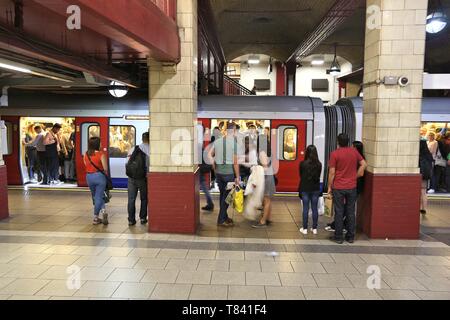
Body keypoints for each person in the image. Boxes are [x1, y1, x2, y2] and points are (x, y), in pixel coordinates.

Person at [327, 133, 367, 244]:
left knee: (339, 212)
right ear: (348, 141)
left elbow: (332, 172)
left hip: (338, 187)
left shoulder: (334, 154)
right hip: (352, 187)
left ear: (338, 142)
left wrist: (329, 186)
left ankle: (338, 237)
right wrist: (357, 175)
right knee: (350, 212)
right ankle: (350, 237)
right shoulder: (354, 152)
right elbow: (364, 164)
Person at [208, 122, 240, 227]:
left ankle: (225, 217)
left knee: (222, 195)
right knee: (227, 198)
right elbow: (235, 163)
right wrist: (237, 177)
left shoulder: (217, 141)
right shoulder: (234, 143)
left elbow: (209, 155)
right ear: (234, 131)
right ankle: (221, 220)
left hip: (218, 174)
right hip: (228, 174)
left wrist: (214, 165)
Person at [84, 137, 109, 225]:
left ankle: (103, 210)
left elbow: (85, 165)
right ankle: (96, 218)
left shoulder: (86, 154)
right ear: (97, 144)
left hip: (89, 177)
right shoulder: (101, 154)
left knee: (96, 196)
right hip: (99, 177)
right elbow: (105, 168)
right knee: (99, 196)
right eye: (100, 143)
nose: (101, 144)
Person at [127, 132, 150, 226]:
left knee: (131, 199)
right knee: (144, 199)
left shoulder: (133, 148)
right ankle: (143, 218)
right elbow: (149, 166)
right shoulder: (150, 149)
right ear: (150, 139)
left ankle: (131, 220)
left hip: (131, 178)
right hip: (143, 178)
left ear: (142, 138)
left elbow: (127, 162)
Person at [298, 145, 322, 235]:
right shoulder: (319, 164)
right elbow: (318, 176)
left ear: (307, 152)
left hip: (305, 188)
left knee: (305, 208)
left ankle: (304, 229)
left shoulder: (302, 164)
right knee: (315, 208)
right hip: (315, 188)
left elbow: (301, 175)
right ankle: (314, 228)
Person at [252, 145, 276, 228]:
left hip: (266, 179)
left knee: (266, 201)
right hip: (269, 177)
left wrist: (256, 168)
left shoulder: (262, 153)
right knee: (268, 200)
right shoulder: (269, 152)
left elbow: (265, 167)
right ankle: (268, 218)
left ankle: (263, 221)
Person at [419, 140, 433, 215]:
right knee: (423, 192)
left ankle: (419, 207)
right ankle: (424, 208)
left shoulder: (419, 155)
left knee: (418, 192)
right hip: (426, 175)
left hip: (419, 175)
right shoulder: (428, 155)